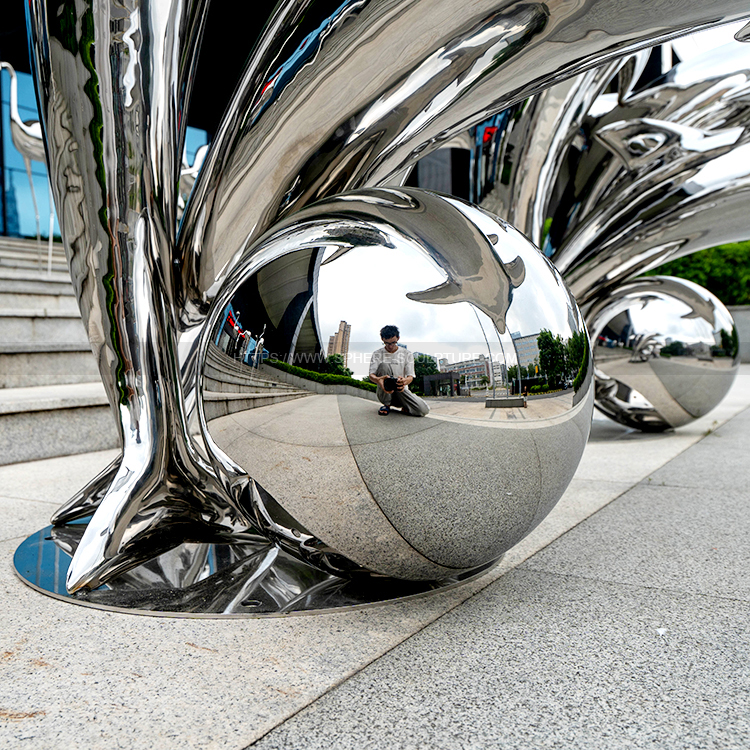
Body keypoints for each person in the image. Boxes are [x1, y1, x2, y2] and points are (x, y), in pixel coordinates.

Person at [369, 325, 430, 417]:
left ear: (398, 338)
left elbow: (410, 376)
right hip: (384, 392)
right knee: (384, 365)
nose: (390, 346)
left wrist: (405, 381)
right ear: (382, 339)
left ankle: (405, 406)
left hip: (401, 391)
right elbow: (371, 375)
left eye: (393, 342)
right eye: (387, 343)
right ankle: (387, 405)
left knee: (423, 410)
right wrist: (378, 380)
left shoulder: (407, 354)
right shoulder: (377, 354)